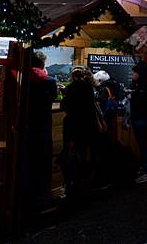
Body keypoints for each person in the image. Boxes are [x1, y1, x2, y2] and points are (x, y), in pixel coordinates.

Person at [24, 51, 58, 216]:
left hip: (25, 127)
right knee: (43, 163)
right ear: (42, 63)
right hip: (43, 126)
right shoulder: (49, 81)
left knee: (27, 164)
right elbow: (53, 98)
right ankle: (43, 199)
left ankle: (27, 199)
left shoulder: (23, 78)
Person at [60, 66, 99, 199]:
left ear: (73, 76)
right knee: (85, 152)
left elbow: (64, 106)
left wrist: (65, 93)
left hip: (73, 126)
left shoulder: (71, 88)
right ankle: (85, 182)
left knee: (71, 153)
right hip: (88, 126)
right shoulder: (89, 88)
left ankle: (72, 183)